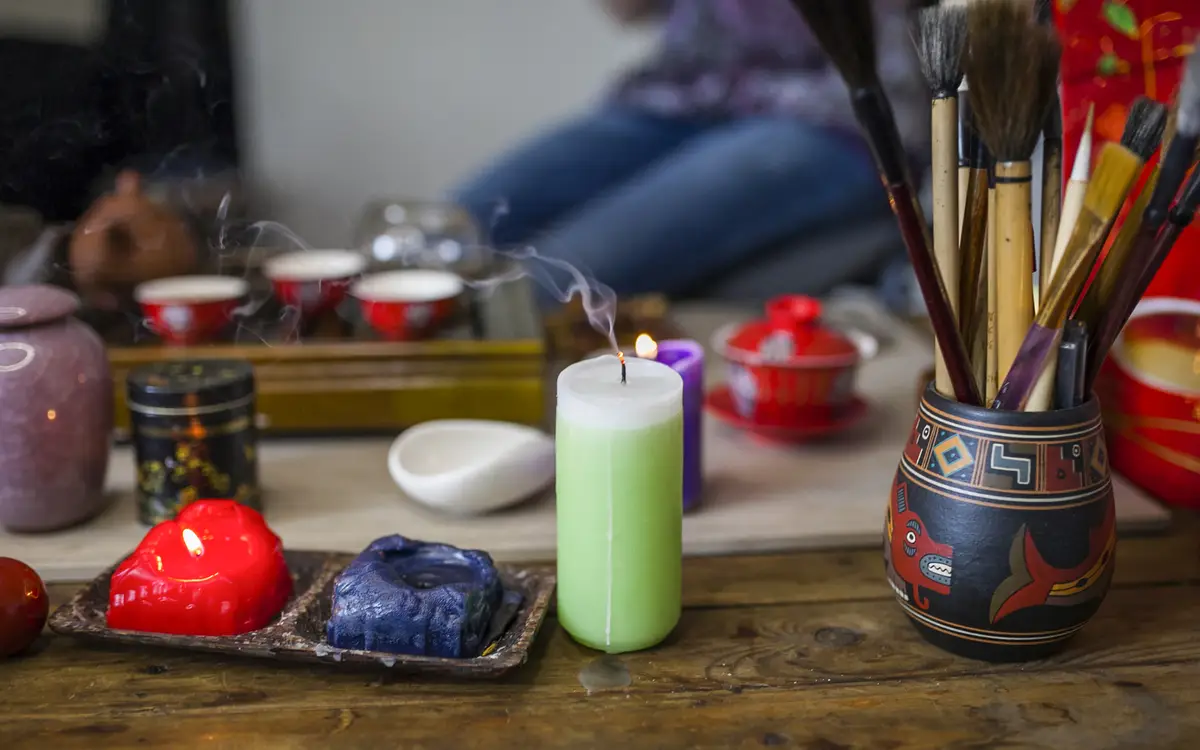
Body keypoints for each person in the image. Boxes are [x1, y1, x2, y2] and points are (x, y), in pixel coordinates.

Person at [450, 0, 928, 300]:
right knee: (443, 234)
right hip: (682, 92)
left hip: (833, 109)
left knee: (548, 280)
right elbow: (627, 9)